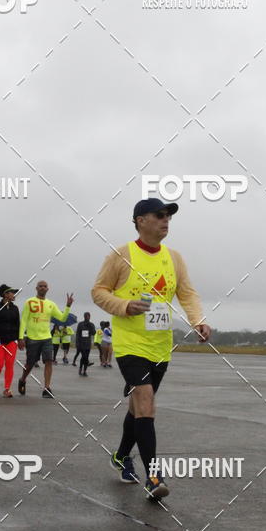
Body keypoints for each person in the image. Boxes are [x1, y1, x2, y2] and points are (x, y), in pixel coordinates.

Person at [92, 198, 210, 500]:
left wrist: (198, 320)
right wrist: (124, 305)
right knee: (145, 402)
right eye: (159, 215)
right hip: (130, 343)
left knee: (138, 407)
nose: (166, 220)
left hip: (160, 345)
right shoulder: (121, 255)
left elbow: (187, 293)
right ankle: (154, 478)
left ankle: (120, 455)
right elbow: (98, 292)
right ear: (140, 220)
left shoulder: (174, 258)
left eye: (168, 215)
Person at [17, 280, 74, 398]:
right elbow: (23, 320)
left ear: (48, 289)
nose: (43, 288)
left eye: (45, 286)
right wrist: (21, 337)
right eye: (40, 286)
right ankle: (22, 379)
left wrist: (68, 306)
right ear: (36, 288)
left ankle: (47, 388)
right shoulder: (29, 302)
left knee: (49, 361)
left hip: (47, 338)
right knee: (30, 363)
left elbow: (62, 318)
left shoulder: (51, 304)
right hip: (32, 338)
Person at [75, 312, 95, 376]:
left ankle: (84, 371)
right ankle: (82, 368)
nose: (88, 317)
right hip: (81, 343)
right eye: (86, 316)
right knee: (84, 356)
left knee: (84, 358)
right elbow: (77, 334)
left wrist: (90, 326)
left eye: (89, 316)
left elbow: (93, 333)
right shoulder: (80, 324)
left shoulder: (91, 324)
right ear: (84, 317)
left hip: (88, 344)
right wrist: (77, 343)